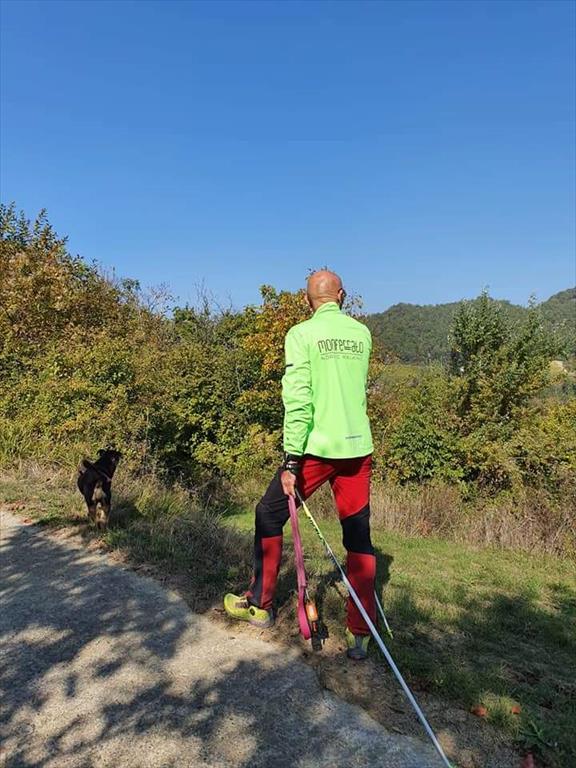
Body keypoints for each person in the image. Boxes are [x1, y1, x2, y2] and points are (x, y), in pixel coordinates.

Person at [224, 270, 376, 660]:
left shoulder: (301, 334)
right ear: (341, 296)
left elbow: (298, 399)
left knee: (268, 513)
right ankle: (361, 632)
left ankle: (260, 604)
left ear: (307, 300)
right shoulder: (362, 334)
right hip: (358, 449)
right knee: (358, 536)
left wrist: (291, 460)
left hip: (317, 450)